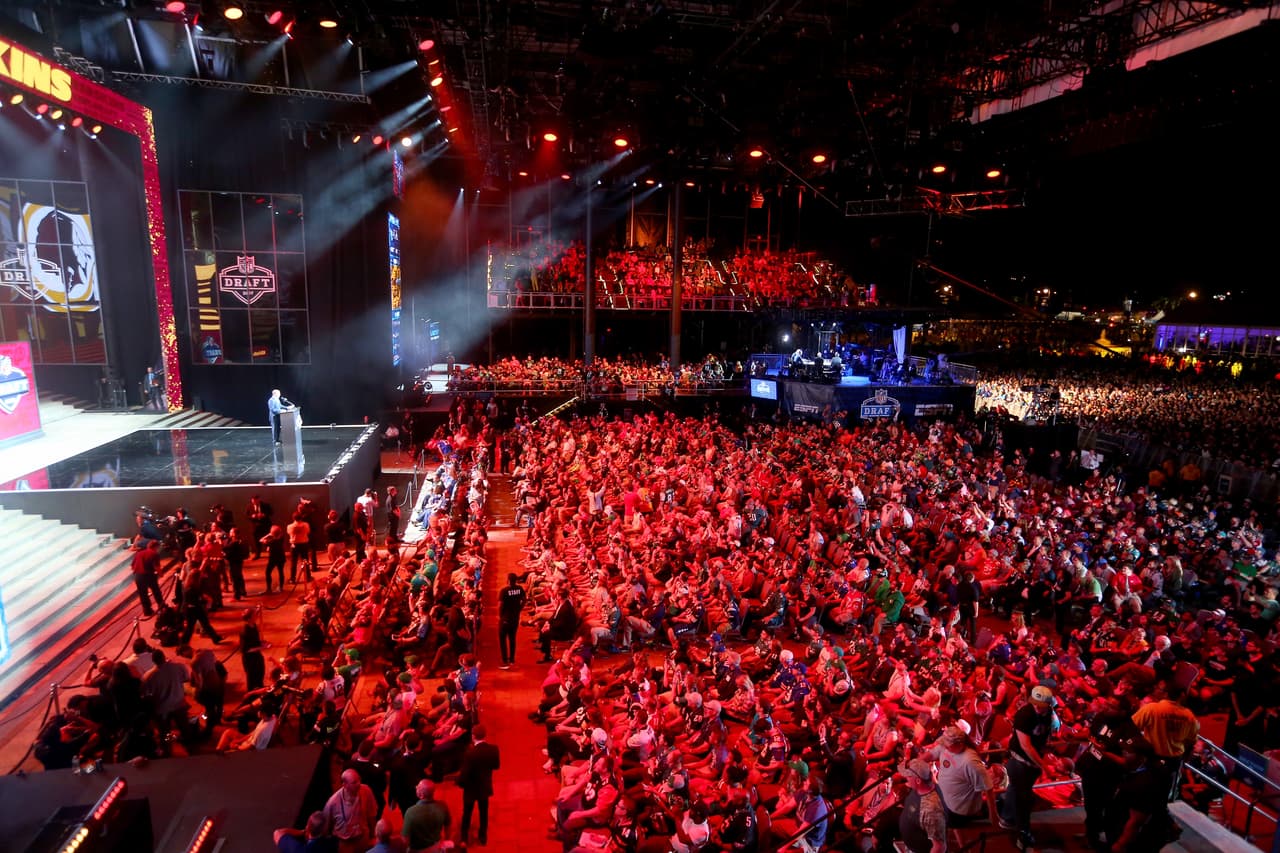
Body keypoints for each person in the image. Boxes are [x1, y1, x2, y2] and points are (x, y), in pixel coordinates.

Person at [998, 685, 1057, 850]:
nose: (1037, 708)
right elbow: (1026, 746)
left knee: (1016, 791)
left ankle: (1006, 818)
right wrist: (1045, 766)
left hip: (1033, 762)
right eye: (1035, 704)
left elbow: (1045, 735)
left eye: (1041, 705)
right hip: (1019, 762)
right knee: (1022, 797)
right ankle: (1022, 829)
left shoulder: (1049, 714)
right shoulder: (1024, 714)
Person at [458, 723, 501, 846]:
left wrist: (460, 783)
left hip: (470, 789)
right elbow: (496, 766)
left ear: (473, 736)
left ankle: (464, 837)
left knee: (467, 813)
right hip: (484, 786)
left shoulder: (470, 754)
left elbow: (464, 774)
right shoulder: (494, 749)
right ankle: (483, 836)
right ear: (484, 735)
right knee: (484, 812)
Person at [899, 758, 948, 853]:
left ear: (918, 780)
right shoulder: (922, 787)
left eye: (908, 776)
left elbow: (940, 847)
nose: (906, 778)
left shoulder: (931, 809)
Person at [324, 769, 379, 853]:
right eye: (354, 782)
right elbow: (326, 826)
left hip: (362, 838)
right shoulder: (333, 802)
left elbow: (372, 815)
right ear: (345, 785)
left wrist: (374, 835)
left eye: (359, 780)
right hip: (344, 843)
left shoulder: (366, 790)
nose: (358, 784)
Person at [402, 778, 450, 853]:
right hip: (436, 847)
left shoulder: (410, 812)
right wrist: (446, 842)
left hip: (417, 850)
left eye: (418, 788)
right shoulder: (443, 806)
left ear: (421, 795)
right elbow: (448, 826)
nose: (416, 788)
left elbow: (405, 840)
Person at [498, 573, 527, 669]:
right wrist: (519, 608)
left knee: (502, 639)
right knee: (512, 639)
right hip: (515, 618)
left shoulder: (504, 591)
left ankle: (505, 661)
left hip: (505, 619)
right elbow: (524, 599)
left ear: (509, 580)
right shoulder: (519, 589)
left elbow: (500, 605)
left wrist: (501, 615)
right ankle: (512, 660)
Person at [131, 539, 165, 618]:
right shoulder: (154, 554)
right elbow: (156, 567)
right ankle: (161, 607)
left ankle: (147, 610)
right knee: (156, 591)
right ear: (156, 547)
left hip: (138, 576)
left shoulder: (139, 553)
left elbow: (133, 565)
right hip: (149, 575)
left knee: (143, 594)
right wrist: (161, 574)